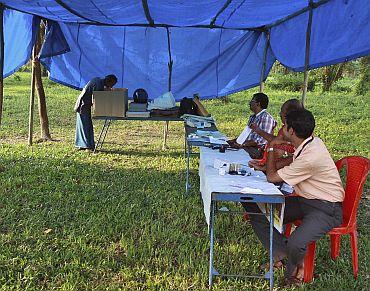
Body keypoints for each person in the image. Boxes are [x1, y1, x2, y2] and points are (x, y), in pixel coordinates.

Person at [243, 109, 344, 287]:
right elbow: (291, 161)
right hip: (304, 200)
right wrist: (265, 166)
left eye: (284, 125)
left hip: (327, 208)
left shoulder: (310, 157)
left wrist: (273, 146)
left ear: (291, 131)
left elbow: (272, 178)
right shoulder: (312, 142)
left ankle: (292, 272)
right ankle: (280, 252)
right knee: (253, 205)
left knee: (296, 243)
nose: (282, 128)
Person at [248, 98, 303, 170]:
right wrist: (263, 162)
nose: (280, 114)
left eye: (282, 112)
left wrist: (265, 167)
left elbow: (287, 156)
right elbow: (276, 141)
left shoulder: (294, 132)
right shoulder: (285, 128)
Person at [74, 74, 118, 150]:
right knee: (85, 125)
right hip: (82, 105)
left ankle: (87, 145)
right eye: (111, 85)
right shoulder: (99, 85)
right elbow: (97, 100)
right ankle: (86, 145)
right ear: (109, 82)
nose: (111, 87)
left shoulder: (99, 80)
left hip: (85, 104)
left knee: (86, 125)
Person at [228, 93, 276, 159]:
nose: (249, 103)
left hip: (257, 150)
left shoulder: (266, 118)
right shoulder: (253, 117)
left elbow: (261, 141)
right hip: (248, 146)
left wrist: (242, 145)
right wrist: (235, 141)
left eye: (252, 101)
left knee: (231, 155)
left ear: (258, 104)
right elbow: (246, 135)